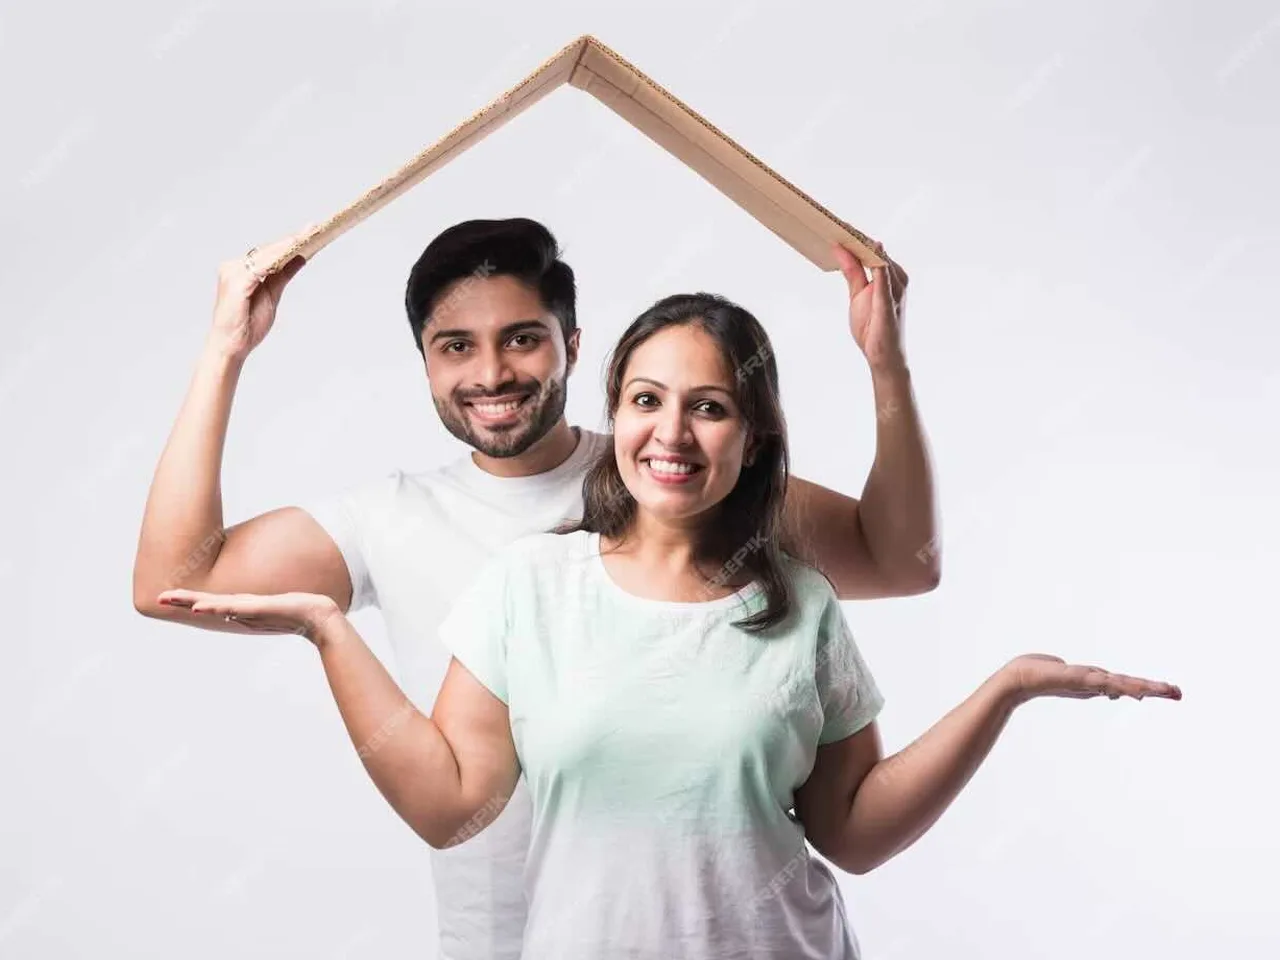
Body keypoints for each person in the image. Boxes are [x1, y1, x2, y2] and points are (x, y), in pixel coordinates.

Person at [155, 291, 1181, 959]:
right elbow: (449, 807)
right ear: (616, 412)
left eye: (711, 407)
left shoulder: (798, 603)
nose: (672, 432)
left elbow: (852, 834)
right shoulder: (529, 588)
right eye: (647, 399)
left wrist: (1002, 689)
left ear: (752, 434)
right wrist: (327, 630)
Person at [132, 218, 940, 960]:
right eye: (455, 347)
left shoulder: (674, 473)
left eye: (522, 339)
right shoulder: (389, 520)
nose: (492, 374)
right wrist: (224, 350)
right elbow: (173, 579)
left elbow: (903, 559)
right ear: (424, 361)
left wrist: (885, 363)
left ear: (573, 346)